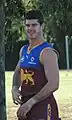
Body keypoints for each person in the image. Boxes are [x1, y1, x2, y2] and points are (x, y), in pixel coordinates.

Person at [12, 9, 60, 120]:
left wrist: (31, 102)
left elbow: (54, 84)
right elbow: (18, 71)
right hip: (25, 107)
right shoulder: (24, 50)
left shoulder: (47, 52)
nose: (30, 29)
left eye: (34, 25)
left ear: (42, 26)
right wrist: (14, 88)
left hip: (43, 107)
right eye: (27, 25)